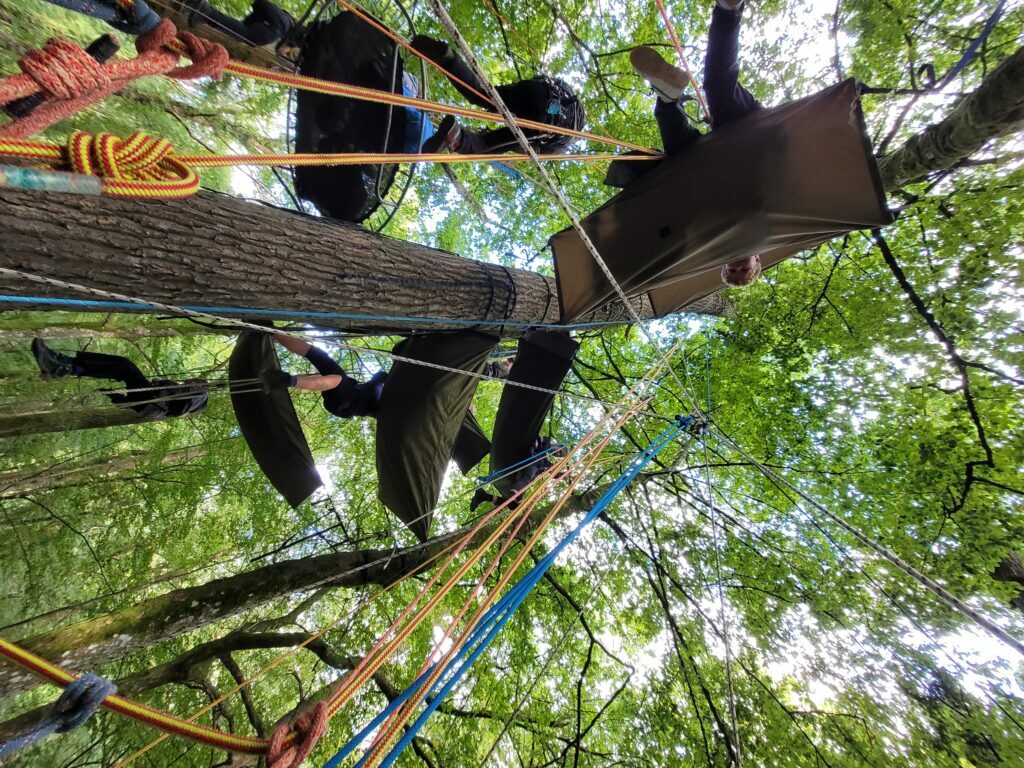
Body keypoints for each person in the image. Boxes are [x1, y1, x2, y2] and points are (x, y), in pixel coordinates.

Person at [629, 0, 762, 286]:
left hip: (705, 162)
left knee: (672, 134)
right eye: (745, 269)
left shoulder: (710, 235)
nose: (738, 265)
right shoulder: (774, 227)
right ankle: (728, 11)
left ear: (724, 263)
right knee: (718, 88)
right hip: (750, 136)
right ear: (757, 260)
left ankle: (667, 93)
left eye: (731, 270)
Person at [261, 333, 510, 419]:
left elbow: (429, 406)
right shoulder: (397, 385)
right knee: (318, 355)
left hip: (347, 402)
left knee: (334, 379)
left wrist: (464, 408)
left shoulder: (389, 405)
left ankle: (286, 381)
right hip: (348, 390)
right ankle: (272, 332)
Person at [410, 34, 586, 156]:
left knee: (480, 94)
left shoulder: (569, 95)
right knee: (488, 144)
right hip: (546, 122)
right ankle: (455, 137)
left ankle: (448, 59)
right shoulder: (563, 143)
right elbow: (530, 149)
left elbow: (541, 81)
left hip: (541, 90)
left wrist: (510, 100)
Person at [30, 339, 208, 418]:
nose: (190, 381)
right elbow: (141, 406)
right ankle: (64, 365)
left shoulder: (199, 393)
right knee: (122, 367)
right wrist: (117, 398)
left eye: (193, 381)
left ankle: (63, 366)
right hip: (146, 403)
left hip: (150, 400)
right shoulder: (184, 403)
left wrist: (163, 384)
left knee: (124, 366)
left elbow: (176, 390)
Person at [182, 0, 302, 54]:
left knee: (245, 31)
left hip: (272, 15)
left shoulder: (290, 24)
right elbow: (281, 49)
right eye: (287, 52)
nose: (284, 53)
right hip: (279, 25)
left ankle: (201, 9)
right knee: (249, 38)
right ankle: (206, 12)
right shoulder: (290, 37)